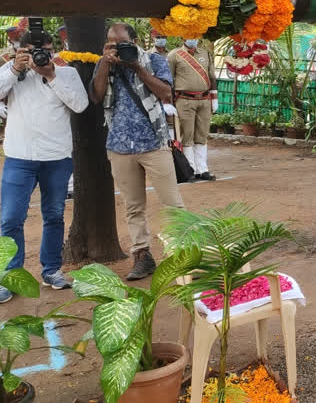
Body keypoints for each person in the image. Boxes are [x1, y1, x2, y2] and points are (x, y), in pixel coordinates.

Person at [90, 22, 184, 281]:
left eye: (124, 43)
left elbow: (166, 93)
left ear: (136, 40)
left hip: (153, 144)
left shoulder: (154, 60)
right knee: (134, 207)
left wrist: (138, 68)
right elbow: (96, 97)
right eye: (113, 43)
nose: (119, 48)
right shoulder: (105, 65)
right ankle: (142, 257)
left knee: (173, 204)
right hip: (120, 147)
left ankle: (185, 256)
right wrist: (106, 63)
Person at [0, 28, 88, 303]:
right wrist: (15, 69)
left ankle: (51, 271)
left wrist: (50, 75)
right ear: (19, 49)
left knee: (54, 216)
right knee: (10, 219)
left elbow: (81, 105)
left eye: (46, 50)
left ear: (53, 49)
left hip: (56, 158)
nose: (41, 55)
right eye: (33, 51)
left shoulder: (66, 73)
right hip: (19, 157)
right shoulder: (10, 70)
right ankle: (9, 276)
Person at [167, 38, 218, 180]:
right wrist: (168, 102)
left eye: (195, 36)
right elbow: (168, 80)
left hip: (204, 100)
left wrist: (215, 98)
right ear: (183, 37)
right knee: (187, 135)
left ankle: (203, 169)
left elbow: (212, 77)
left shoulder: (205, 53)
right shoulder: (174, 55)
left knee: (202, 135)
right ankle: (190, 169)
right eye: (190, 36)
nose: (193, 39)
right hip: (184, 100)